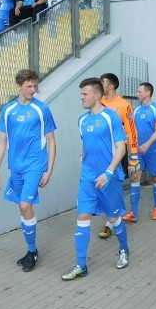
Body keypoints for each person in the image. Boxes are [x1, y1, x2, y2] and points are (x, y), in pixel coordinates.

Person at [62, 78, 130, 281]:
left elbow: (121, 147)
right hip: (88, 177)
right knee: (83, 217)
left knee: (113, 218)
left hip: (108, 177)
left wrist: (109, 172)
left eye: (85, 93)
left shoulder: (111, 117)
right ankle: (80, 265)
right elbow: (88, 147)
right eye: (81, 93)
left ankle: (124, 249)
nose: (81, 97)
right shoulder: (82, 120)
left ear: (97, 95)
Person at [0, 69, 57, 272]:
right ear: (18, 86)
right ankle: (31, 249)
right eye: (29, 86)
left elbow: (52, 141)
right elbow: (2, 141)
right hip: (16, 167)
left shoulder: (42, 109)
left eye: (35, 85)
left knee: (24, 204)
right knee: (24, 209)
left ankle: (32, 251)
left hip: (35, 165)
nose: (33, 89)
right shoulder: (8, 110)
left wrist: (49, 170)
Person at [98, 72, 138, 237]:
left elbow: (131, 129)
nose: (100, 85)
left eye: (103, 82)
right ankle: (115, 216)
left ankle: (111, 222)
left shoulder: (123, 104)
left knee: (114, 184)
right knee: (104, 186)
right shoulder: (99, 102)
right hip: (101, 151)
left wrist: (134, 155)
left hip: (118, 151)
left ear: (111, 86)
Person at [130, 82, 156, 220]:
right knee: (134, 178)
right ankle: (134, 213)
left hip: (154, 151)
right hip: (137, 152)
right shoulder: (136, 110)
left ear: (147, 93)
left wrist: (148, 144)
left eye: (139, 91)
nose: (137, 94)